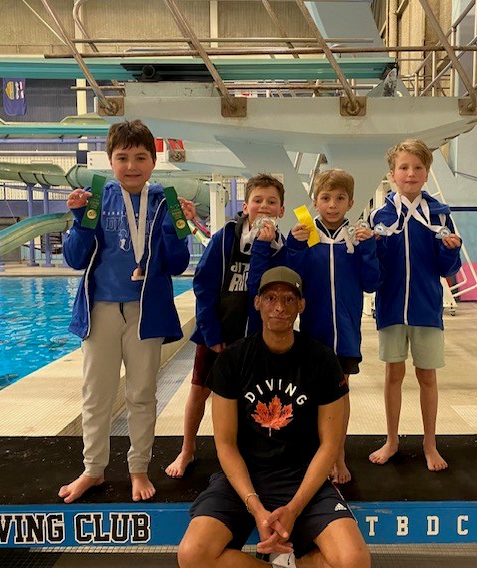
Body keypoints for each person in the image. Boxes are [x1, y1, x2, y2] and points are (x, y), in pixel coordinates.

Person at [178, 267, 371, 568]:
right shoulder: (233, 360)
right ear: (257, 303)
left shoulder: (322, 361)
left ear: (300, 306)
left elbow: (330, 445)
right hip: (245, 476)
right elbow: (226, 444)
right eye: (270, 298)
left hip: (302, 476)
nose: (279, 307)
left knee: (354, 561)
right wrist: (255, 506)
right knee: (192, 555)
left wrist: (293, 508)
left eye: (288, 299)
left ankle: (296, 562)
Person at [59, 119, 195, 503]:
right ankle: (93, 469)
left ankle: (138, 468)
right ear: (110, 161)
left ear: (154, 161)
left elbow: (177, 263)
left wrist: (175, 226)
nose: (131, 166)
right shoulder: (98, 199)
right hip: (101, 309)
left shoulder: (164, 201)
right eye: (123, 158)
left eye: (140, 157)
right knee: (96, 394)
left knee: (142, 393)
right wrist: (79, 222)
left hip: (145, 312)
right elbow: (74, 259)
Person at [166, 174, 286, 479]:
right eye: (257, 200)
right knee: (199, 391)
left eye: (271, 202)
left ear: (281, 210)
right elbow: (203, 285)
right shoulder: (223, 239)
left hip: (255, 340)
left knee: (253, 398)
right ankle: (187, 448)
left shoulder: (279, 248)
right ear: (245, 206)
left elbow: (261, 292)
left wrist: (262, 247)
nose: (264, 206)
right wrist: (210, 332)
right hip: (217, 333)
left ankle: (246, 452)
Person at [368, 139, 462, 472]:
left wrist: (451, 251)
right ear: (392, 174)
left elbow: (447, 270)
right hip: (392, 308)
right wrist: (371, 248)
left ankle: (429, 444)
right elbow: (374, 270)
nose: (411, 173)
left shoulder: (439, 214)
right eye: (404, 168)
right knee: (393, 373)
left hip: (426, 308)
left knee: (427, 376)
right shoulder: (380, 216)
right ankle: (392, 439)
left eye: (418, 167)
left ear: (427, 172)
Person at [287, 169, 381, 484]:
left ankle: (338, 454)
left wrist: (369, 250)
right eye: (326, 198)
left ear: (350, 202)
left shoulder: (354, 239)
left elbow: (371, 284)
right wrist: (295, 247)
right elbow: (294, 281)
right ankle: (316, 454)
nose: (332, 204)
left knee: (340, 396)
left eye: (340, 198)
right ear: (315, 201)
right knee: (312, 397)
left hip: (347, 335)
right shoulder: (306, 235)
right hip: (314, 334)